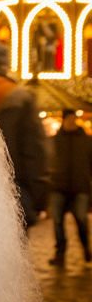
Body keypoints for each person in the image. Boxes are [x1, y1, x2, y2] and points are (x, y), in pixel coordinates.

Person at [0, 40, 48, 230]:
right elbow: (35, 154)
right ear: (3, 64)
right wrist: (35, 200)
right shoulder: (19, 97)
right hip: (10, 197)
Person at [47, 109, 92, 266]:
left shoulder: (87, 140)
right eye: (69, 119)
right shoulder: (54, 140)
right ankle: (60, 253)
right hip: (58, 186)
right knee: (57, 221)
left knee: (81, 219)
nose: (72, 122)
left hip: (80, 187)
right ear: (64, 120)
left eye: (74, 119)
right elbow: (48, 161)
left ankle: (86, 247)